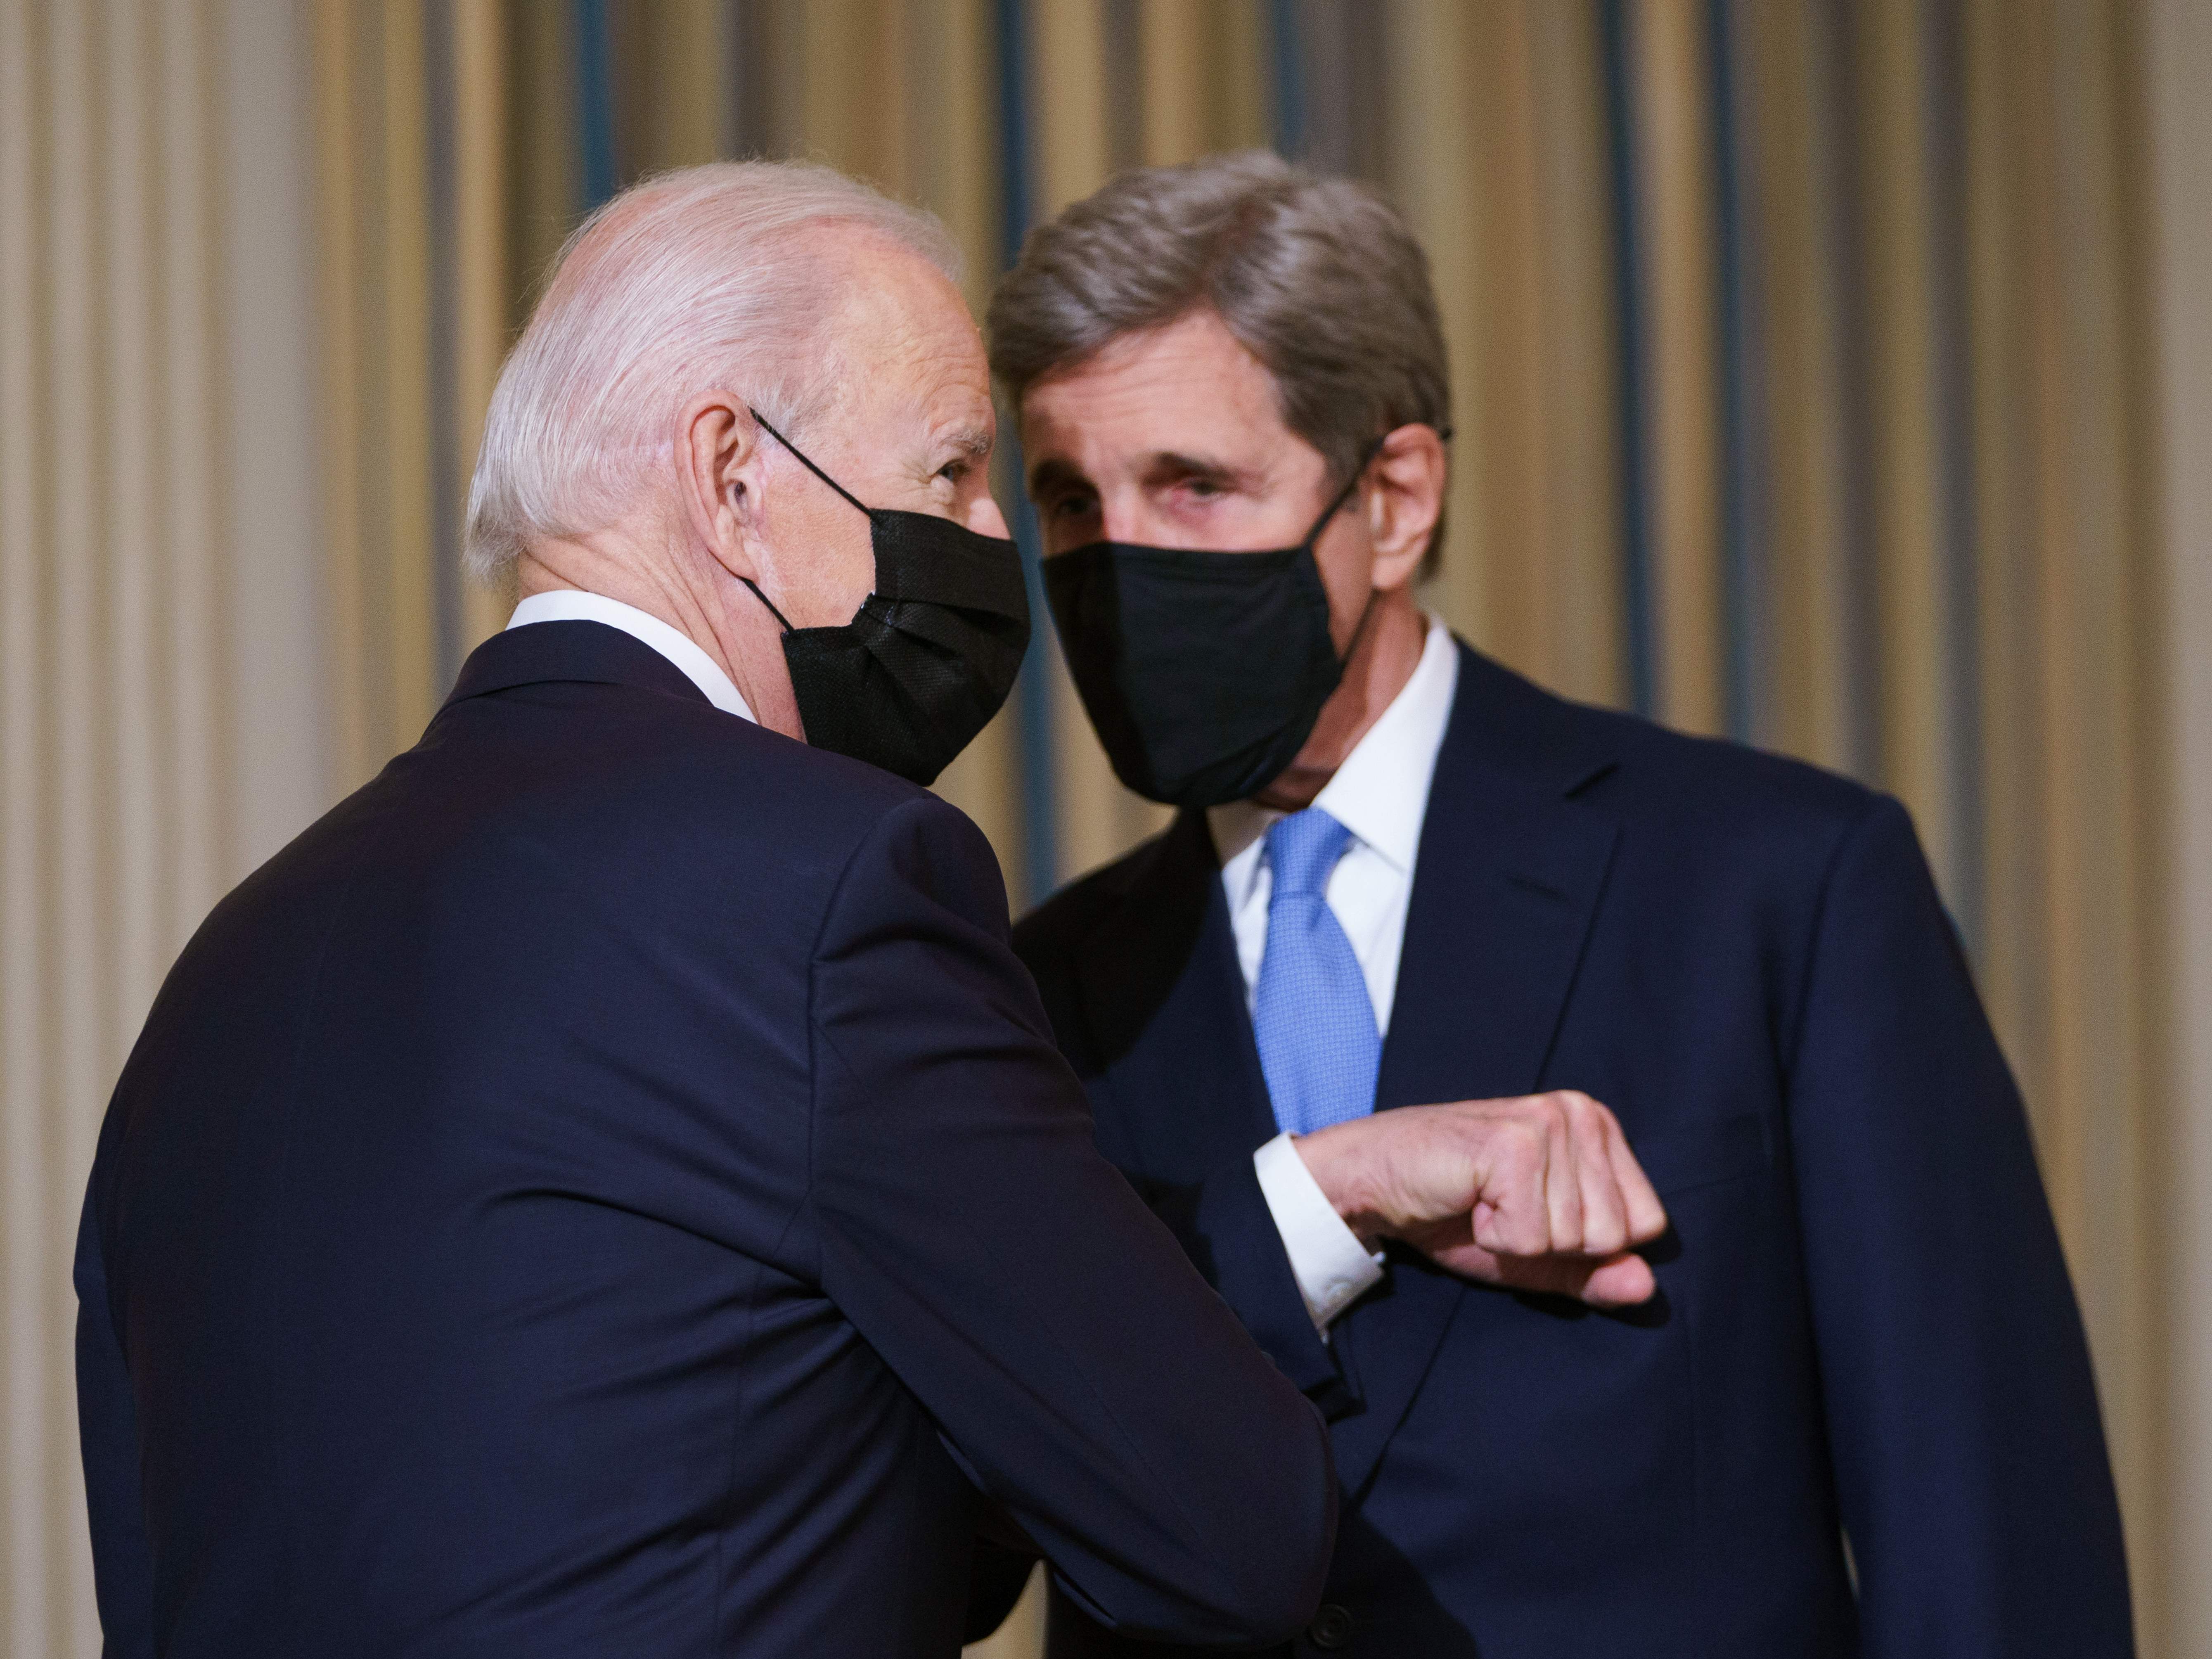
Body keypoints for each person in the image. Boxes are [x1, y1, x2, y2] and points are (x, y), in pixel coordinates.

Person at [73, 161, 1385, 1659]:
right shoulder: (834, 886)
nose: (989, 542)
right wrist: (1299, 1219)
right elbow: (1225, 1531)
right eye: (952, 471)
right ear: (733, 474)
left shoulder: (224, 971)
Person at [981, 151, 2134, 1658]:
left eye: (1193, 488)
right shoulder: (1044, 983)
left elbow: (1985, 1549)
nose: (1120, 564)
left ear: (1394, 498)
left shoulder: (1780, 888)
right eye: (1073, 500)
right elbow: (1016, 1467)